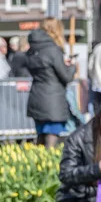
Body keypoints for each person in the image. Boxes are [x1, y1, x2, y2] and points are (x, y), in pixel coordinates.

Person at [25, 18, 77, 149]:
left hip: (37, 95)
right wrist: (72, 67)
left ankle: (39, 166)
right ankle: (50, 167)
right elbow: (65, 76)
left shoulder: (33, 48)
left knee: (41, 138)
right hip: (52, 98)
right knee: (52, 139)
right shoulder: (53, 49)